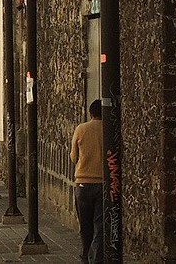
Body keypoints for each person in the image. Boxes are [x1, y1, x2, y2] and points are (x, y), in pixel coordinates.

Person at [71, 99, 105, 264]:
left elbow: (73, 157)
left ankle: (85, 255)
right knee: (99, 225)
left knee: (85, 225)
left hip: (83, 183)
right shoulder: (109, 129)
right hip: (102, 183)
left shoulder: (81, 129)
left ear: (90, 113)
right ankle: (96, 258)